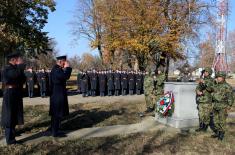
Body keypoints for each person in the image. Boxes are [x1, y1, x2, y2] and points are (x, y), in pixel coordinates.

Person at [1, 52, 26, 145]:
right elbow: (13, 76)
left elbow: (23, 79)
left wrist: (20, 69)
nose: (19, 60)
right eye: (18, 59)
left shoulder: (16, 69)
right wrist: (20, 67)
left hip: (16, 93)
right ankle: (10, 140)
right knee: (9, 116)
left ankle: (12, 136)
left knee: (15, 116)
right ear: (13, 60)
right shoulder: (7, 68)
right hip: (10, 94)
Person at [49, 55, 72, 137]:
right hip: (57, 94)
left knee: (56, 114)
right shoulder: (56, 70)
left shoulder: (57, 69)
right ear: (60, 61)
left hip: (57, 94)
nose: (65, 64)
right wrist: (68, 68)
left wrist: (65, 69)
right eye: (64, 62)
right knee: (56, 114)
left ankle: (54, 129)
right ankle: (55, 132)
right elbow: (66, 76)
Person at [211, 71, 234, 140]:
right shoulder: (216, 85)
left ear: (223, 78)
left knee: (222, 121)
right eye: (217, 77)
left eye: (220, 77)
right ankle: (218, 132)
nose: (218, 78)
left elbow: (231, 97)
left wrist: (229, 106)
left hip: (223, 106)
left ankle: (221, 134)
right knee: (215, 120)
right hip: (215, 105)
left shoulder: (227, 86)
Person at [195, 67, 214, 132]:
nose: (204, 73)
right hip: (201, 100)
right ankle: (201, 126)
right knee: (200, 114)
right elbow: (198, 87)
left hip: (207, 100)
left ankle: (205, 127)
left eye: (206, 72)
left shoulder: (212, 80)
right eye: (204, 72)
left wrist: (204, 83)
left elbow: (210, 89)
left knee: (206, 115)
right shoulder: (202, 79)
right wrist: (197, 91)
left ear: (209, 73)